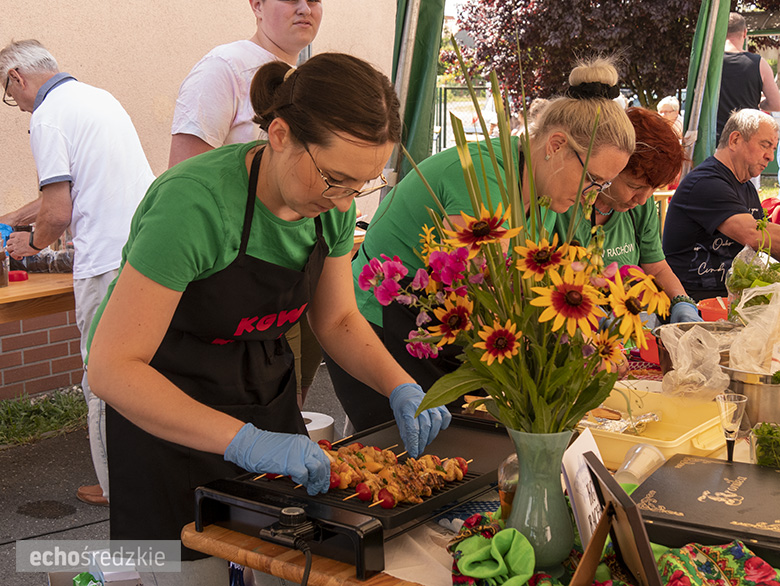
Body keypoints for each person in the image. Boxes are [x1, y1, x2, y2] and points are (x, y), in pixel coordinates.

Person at [86, 53, 451, 582]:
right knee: (194, 574)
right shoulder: (193, 205)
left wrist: (400, 384)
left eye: (361, 186)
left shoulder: (331, 205)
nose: (344, 202)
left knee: (291, 563)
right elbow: (112, 367)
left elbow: (338, 319)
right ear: (280, 135)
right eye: (335, 179)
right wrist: (246, 442)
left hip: (263, 392)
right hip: (167, 408)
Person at [328, 56, 636, 432]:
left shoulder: (547, 199)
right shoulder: (478, 175)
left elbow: (540, 287)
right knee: (410, 454)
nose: (593, 195)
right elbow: (495, 287)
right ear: (556, 145)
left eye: (603, 186)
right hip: (377, 330)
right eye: (592, 179)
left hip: (445, 331)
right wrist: (582, 345)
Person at [0, 40, 154, 507]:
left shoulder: (46, 118)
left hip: (103, 264)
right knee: (144, 371)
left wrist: (30, 243)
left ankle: (115, 488)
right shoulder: (97, 98)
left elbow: (57, 212)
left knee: (101, 378)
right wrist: (13, 218)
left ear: (17, 78)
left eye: (8, 93)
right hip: (144, 251)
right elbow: (70, 190)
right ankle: (152, 477)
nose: (14, 103)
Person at [169, 0, 325, 409]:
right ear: (256, 4)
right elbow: (184, 184)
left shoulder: (309, 80)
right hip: (237, 280)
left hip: (297, 275)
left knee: (290, 405)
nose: (305, 8)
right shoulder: (224, 68)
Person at [554, 107, 701, 324]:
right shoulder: (563, 204)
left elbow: (656, 266)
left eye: (653, 189)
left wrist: (682, 302)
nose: (642, 199)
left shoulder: (641, 206)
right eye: (635, 186)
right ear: (612, 166)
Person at [663, 108, 780, 301]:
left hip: (731, 300)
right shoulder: (706, 182)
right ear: (735, 140)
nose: (770, 156)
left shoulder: (746, 187)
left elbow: (768, 245)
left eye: (774, 149)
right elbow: (755, 235)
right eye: (765, 145)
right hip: (693, 303)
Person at [716, 12, 780, 143]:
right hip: (748, 138)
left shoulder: (710, 63)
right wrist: (759, 104)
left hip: (714, 139)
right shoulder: (759, 64)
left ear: (720, 31)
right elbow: (776, 104)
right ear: (745, 33)